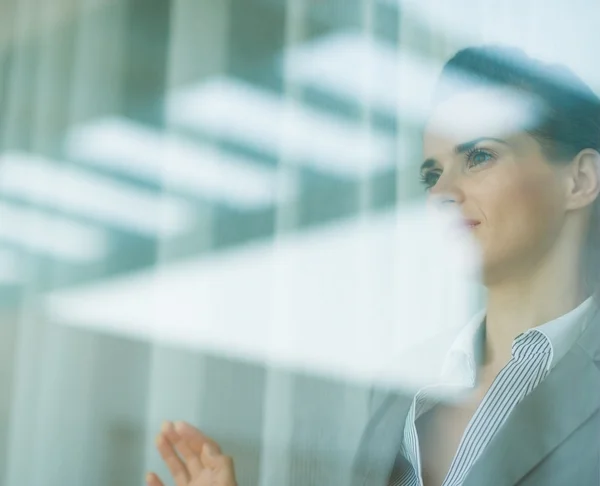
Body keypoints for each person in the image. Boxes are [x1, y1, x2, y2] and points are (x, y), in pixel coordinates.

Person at [144, 45, 600, 486]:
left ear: (579, 180)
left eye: (479, 155)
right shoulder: (395, 392)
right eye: (431, 174)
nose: (440, 192)